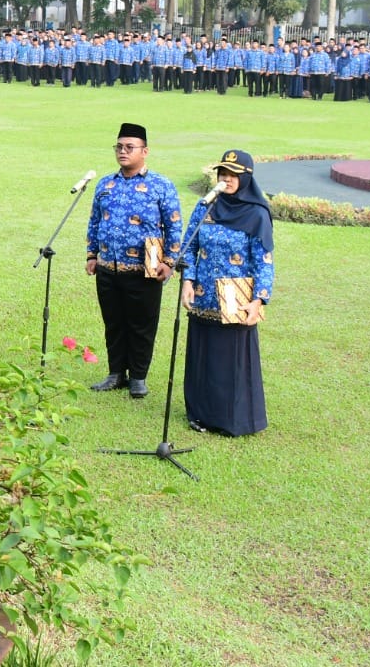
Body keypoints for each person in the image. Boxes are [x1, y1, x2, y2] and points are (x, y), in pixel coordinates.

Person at [178, 150, 273, 437]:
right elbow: (189, 246)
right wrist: (187, 280)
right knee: (203, 355)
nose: (227, 179)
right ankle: (200, 413)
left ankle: (231, 419)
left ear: (245, 178)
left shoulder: (257, 214)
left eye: (233, 175)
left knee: (229, 359)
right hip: (203, 296)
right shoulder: (205, 206)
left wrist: (259, 299)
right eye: (223, 174)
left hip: (236, 300)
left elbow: (264, 261)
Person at [84, 123, 182, 399]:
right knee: (113, 322)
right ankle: (116, 373)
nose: (122, 152)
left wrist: (170, 260)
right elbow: (94, 221)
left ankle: (138, 376)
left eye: (129, 147)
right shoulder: (105, 184)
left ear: (145, 151)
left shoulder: (161, 185)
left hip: (145, 268)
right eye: (119, 146)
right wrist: (92, 254)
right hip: (108, 266)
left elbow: (174, 226)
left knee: (141, 323)